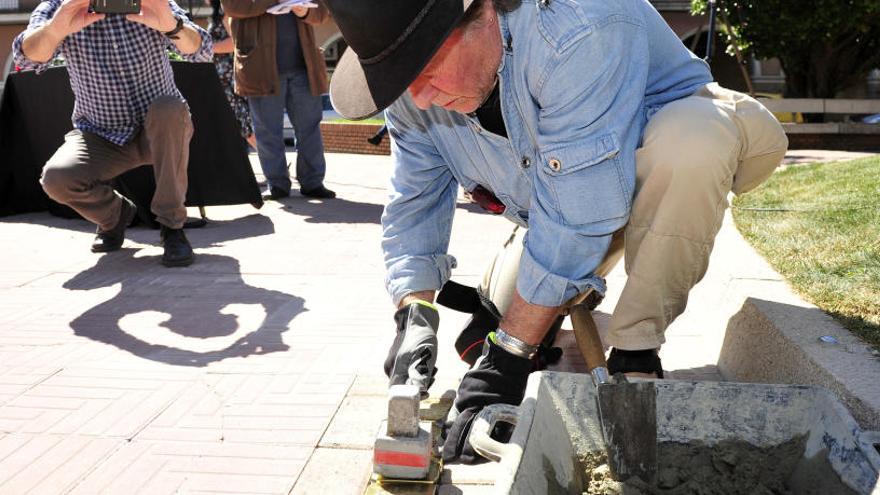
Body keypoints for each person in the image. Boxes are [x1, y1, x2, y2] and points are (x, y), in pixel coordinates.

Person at [324, 0, 789, 464]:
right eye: (403, 79)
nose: (420, 97)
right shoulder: (416, 95)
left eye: (423, 68)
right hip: (560, 202)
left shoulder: (579, 25)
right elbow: (415, 203)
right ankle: (520, 291)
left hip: (664, 165)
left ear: (484, 12)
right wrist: (414, 313)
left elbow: (579, 217)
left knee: (692, 144)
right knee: (496, 329)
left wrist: (508, 356)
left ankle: (636, 351)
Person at [12, 0, 213, 267]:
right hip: (99, 132)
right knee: (57, 179)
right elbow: (25, 59)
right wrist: (55, 30)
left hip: (160, 128)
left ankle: (172, 226)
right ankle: (114, 216)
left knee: (168, 108)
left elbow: (202, 50)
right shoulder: (59, 6)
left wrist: (171, 25)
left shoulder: (150, 3)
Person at [221, 0, 335, 200]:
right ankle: (277, 184)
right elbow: (232, 7)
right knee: (267, 130)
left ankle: (313, 182)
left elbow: (323, 11)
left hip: (304, 66)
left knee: (310, 127)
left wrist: (305, 11)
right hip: (260, 67)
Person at [207, 0, 257, 150]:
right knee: (240, 122)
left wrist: (207, 48)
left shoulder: (226, 12)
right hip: (223, 78)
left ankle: (269, 160)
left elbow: (235, 42)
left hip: (230, 79)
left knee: (243, 122)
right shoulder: (220, 15)